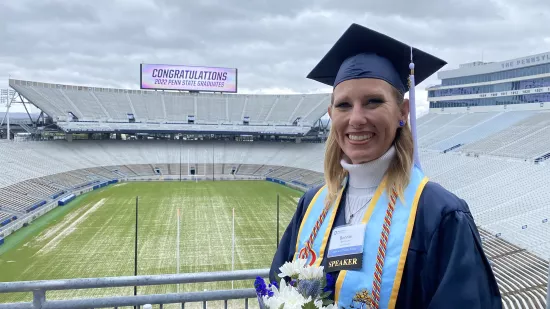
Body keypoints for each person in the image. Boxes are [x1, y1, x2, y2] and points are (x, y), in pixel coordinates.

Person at [270, 23, 502, 309]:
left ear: (403, 111)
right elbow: (276, 292)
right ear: (331, 115)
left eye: (373, 102)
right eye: (344, 105)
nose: (356, 118)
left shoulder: (439, 215)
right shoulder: (312, 205)